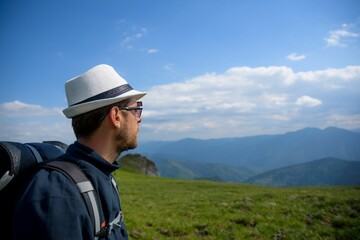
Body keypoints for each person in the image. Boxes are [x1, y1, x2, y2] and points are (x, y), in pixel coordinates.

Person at [13, 64, 146, 239]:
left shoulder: (103, 175)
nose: (140, 118)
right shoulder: (58, 195)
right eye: (136, 109)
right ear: (116, 116)